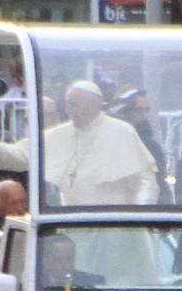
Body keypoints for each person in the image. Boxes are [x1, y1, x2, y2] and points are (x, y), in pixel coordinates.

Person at [31, 78, 157, 207]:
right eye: (67, 105)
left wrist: (137, 213)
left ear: (93, 105)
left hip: (113, 216)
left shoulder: (121, 131)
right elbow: (24, 152)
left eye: (73, 105)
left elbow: (145, 182)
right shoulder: (61, 133)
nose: (68, 111)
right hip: (72, 216)